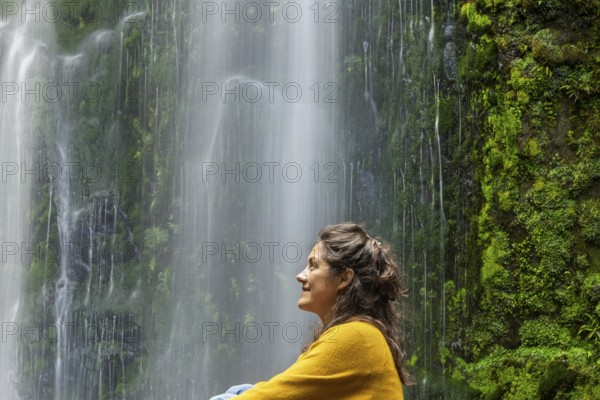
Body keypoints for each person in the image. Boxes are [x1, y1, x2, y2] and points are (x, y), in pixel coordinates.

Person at [210, 223, 413, 399]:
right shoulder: (359, 334)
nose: (300, 276)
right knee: (241, 391)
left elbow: (273, 396)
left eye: (313, 266)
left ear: (344, 278)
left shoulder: (356, 336)